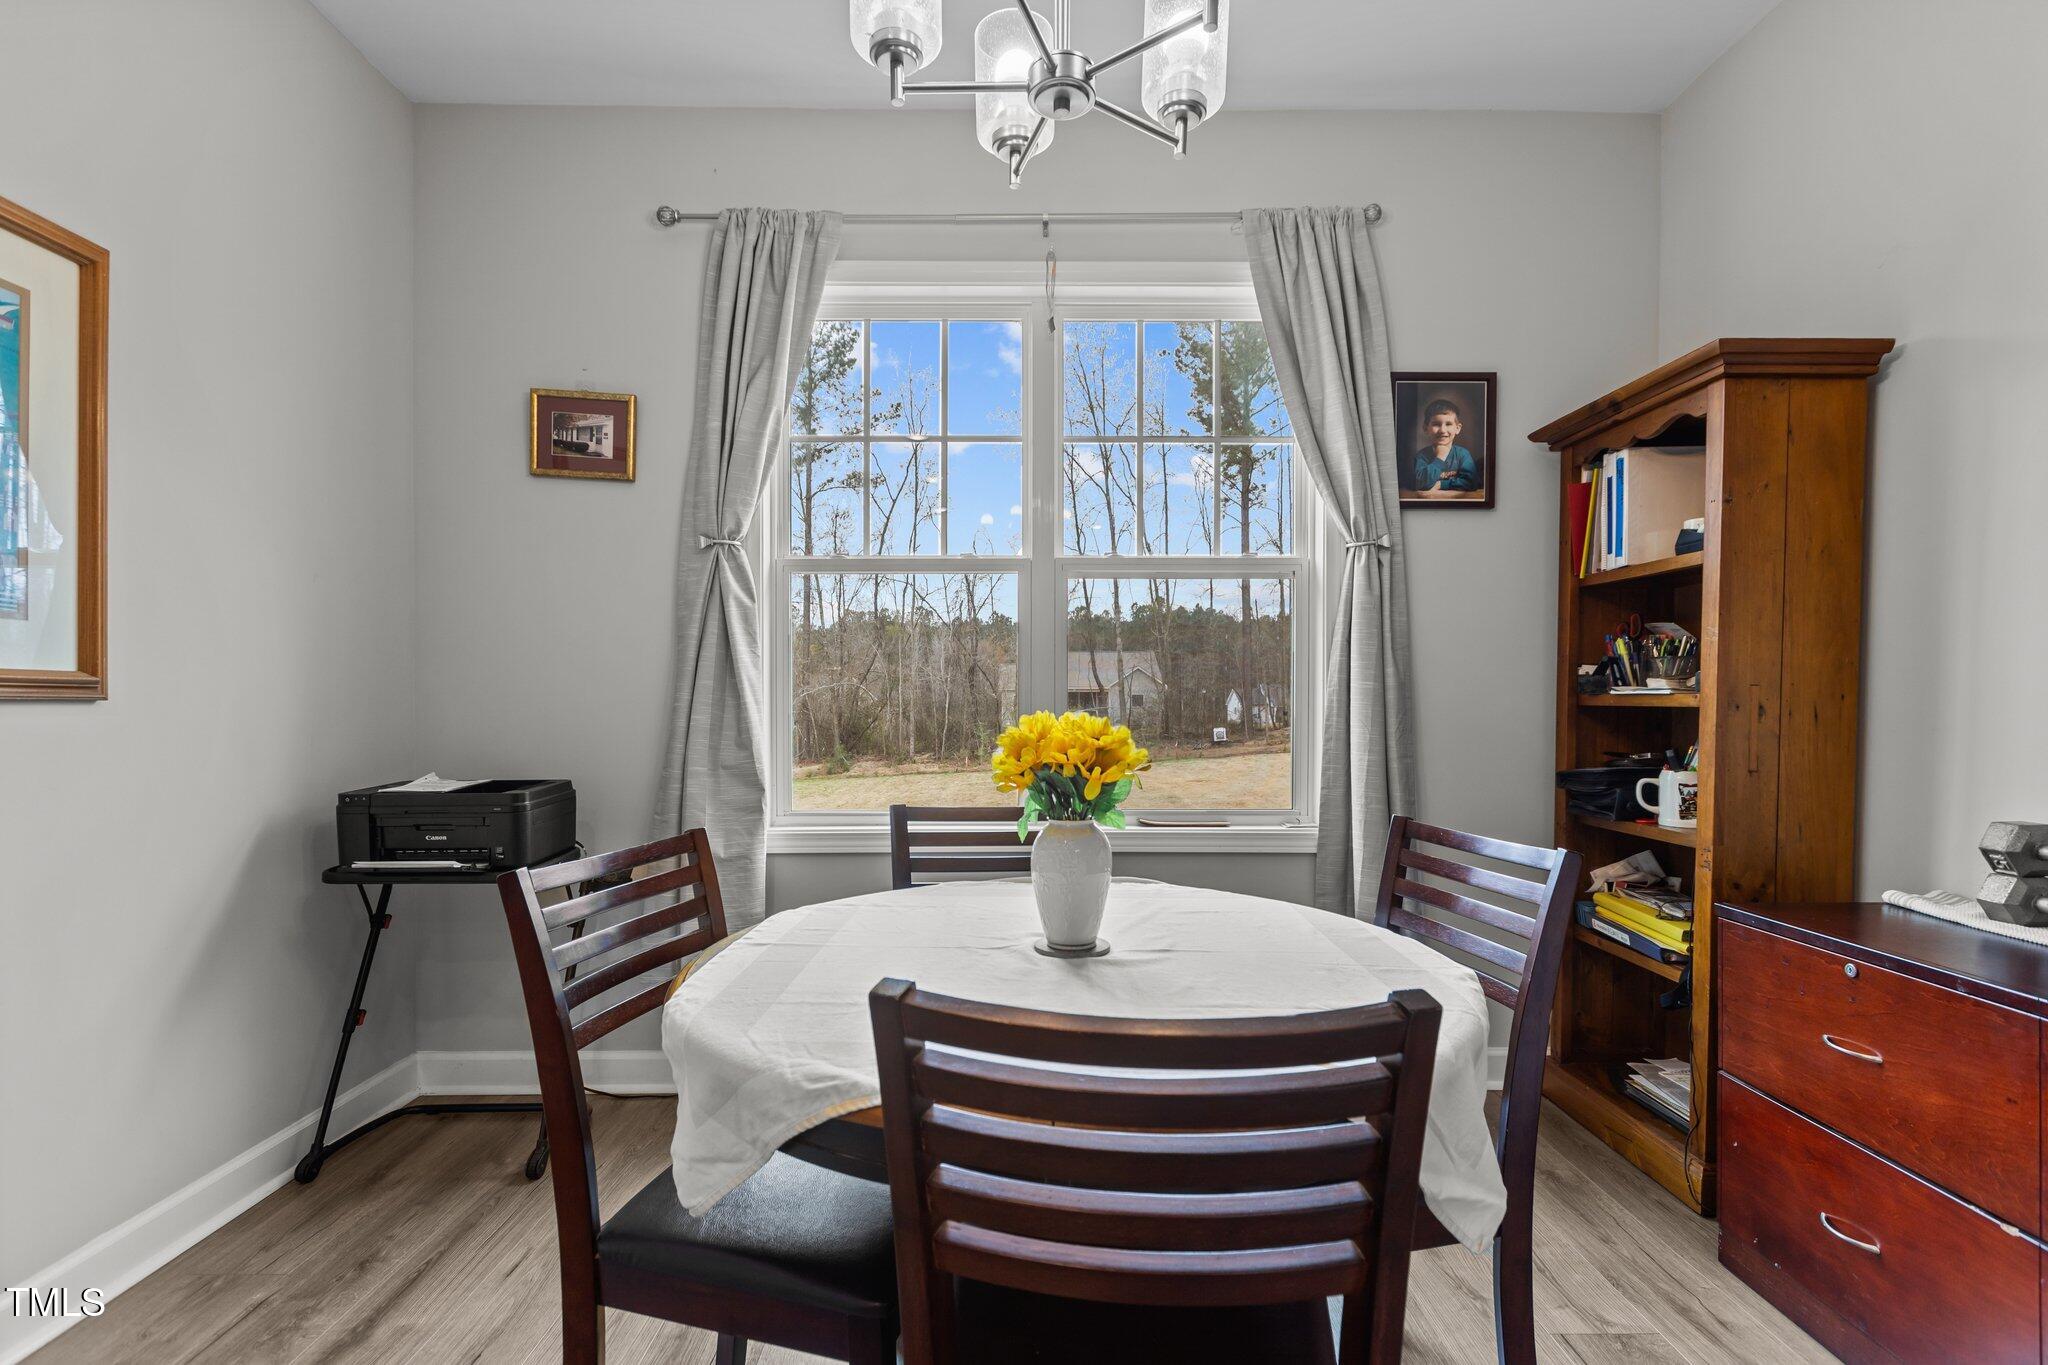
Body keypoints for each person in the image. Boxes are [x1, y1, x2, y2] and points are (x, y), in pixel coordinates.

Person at [1410, 397, 1480, 493]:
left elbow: (1472, 483)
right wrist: (1440, 458)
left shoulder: (1462, 454)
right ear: (1426, 428)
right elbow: (1420, 483)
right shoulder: (1421, 456)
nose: (1442, 430)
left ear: (1457, 428)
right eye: (1436, 424)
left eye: (1448, 424)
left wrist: (1442, 484)